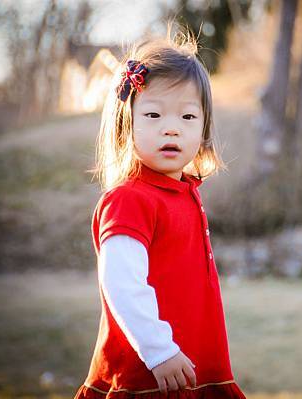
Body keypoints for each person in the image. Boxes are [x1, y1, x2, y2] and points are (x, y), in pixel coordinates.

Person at [73, 32, 246, 399]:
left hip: (195, 366)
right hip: (148, 375)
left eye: (187, 115)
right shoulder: (129, 200)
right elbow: (122, 283)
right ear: (127, 124)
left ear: (203, 130)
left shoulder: (184, 194)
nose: (172, 127)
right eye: (153, 114)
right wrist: (158, 350)